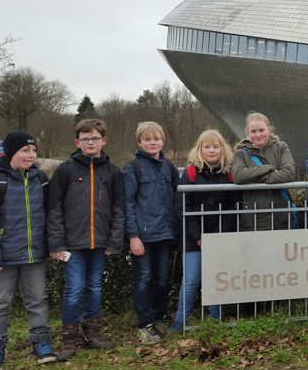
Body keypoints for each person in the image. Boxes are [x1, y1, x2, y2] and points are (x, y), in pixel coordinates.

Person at [0, 131, 56, 370]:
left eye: (33, 151)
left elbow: (51, 215)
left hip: (34, 257)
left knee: (38, 301)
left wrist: (52, 245)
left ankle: (41, 343)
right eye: (25, 151)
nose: (31, 155)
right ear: (11, 153)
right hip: (3, 259)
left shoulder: (40, 178)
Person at [47, 119, 125, 361]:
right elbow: (53, 208)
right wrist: (57, 243)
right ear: (77, 142)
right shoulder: (66, 170)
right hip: (72, 244)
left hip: (100, 243)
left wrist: (115, 241)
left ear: (103, 140)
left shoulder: (112, 171)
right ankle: (68, 340)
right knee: (73, 290)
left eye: (94, 138)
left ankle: (92, 335)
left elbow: (119, 209)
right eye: (85, 138)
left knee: (94, 288)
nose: (90, 142)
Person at [172, 130, 240, 330]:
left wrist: (216, 237)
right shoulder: (190, 174)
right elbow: (183, 207)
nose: (212, 150)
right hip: (193, 239)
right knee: (191, 280)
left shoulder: (230, 174)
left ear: (223, 149)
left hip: (219, 236)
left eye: (216, 146)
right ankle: (180, 322)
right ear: (200, 149)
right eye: (207, 146)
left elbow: (232, 207)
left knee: (216, 278)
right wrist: (199, 237)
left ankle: (215, 320)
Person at [123, 121, 180, 343]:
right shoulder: (132, 168)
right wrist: (133, 236)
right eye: (147, 139)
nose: (152, 142)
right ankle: (144, 324)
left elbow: (177, 200)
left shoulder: (170, 167)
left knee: (163, 279)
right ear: (139, 142)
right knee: (143, 278)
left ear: (162, 141)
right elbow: (127, 204)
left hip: (166, 234)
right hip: (143, 237)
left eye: (156, 139)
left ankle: (160, 317)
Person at [232, 113, 296, 230]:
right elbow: (238, 176)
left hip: (280, 214)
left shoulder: (281, 147)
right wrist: (268, 168)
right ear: (247, 132)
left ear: (269, 129)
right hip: (253, 217)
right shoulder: (240, 153)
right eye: (253, 131)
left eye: (261, 130)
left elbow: (289, 173)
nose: (258, 135)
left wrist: (256, 179)